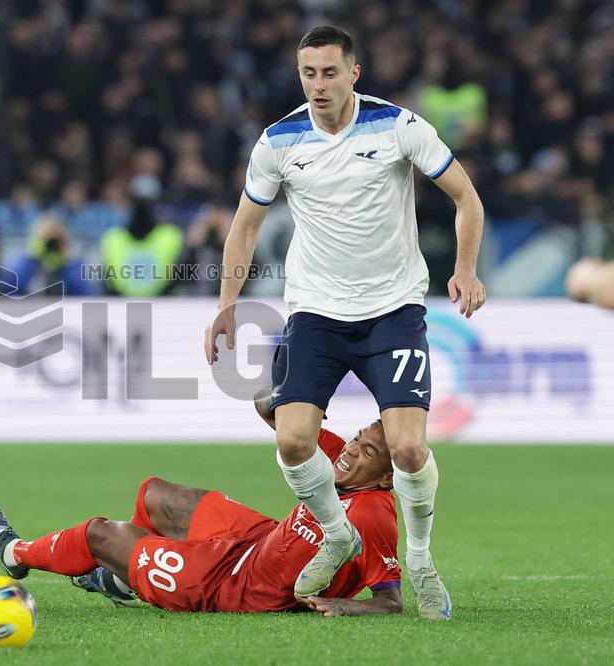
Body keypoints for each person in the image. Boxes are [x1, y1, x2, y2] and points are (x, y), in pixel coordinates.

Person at [203, 26, 486, 620]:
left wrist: (464, 269)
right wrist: (227, 302)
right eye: (309, 74)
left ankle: (422, 560)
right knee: (292, 438)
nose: (319, 85)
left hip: (393, 312)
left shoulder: (399, 126)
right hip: (316, 313)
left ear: (353, 73)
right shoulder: (279, 140)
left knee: (408, 450)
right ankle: (337, 534)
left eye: (330, 73)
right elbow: (246, 226)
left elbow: (466, 197)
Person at [0, 392, 403, 617]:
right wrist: (303, 391)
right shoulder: (337, 456)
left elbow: (390, 600)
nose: (350, 450)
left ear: (387, 477)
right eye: (358, 436)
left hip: (237, 588)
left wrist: (347, 605)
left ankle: (14, 553)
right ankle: (126, 580)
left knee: (99, 534)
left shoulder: (373, 512)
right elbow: (266, 407)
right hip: (260, 540)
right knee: (155, 494)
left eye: (366, 452)